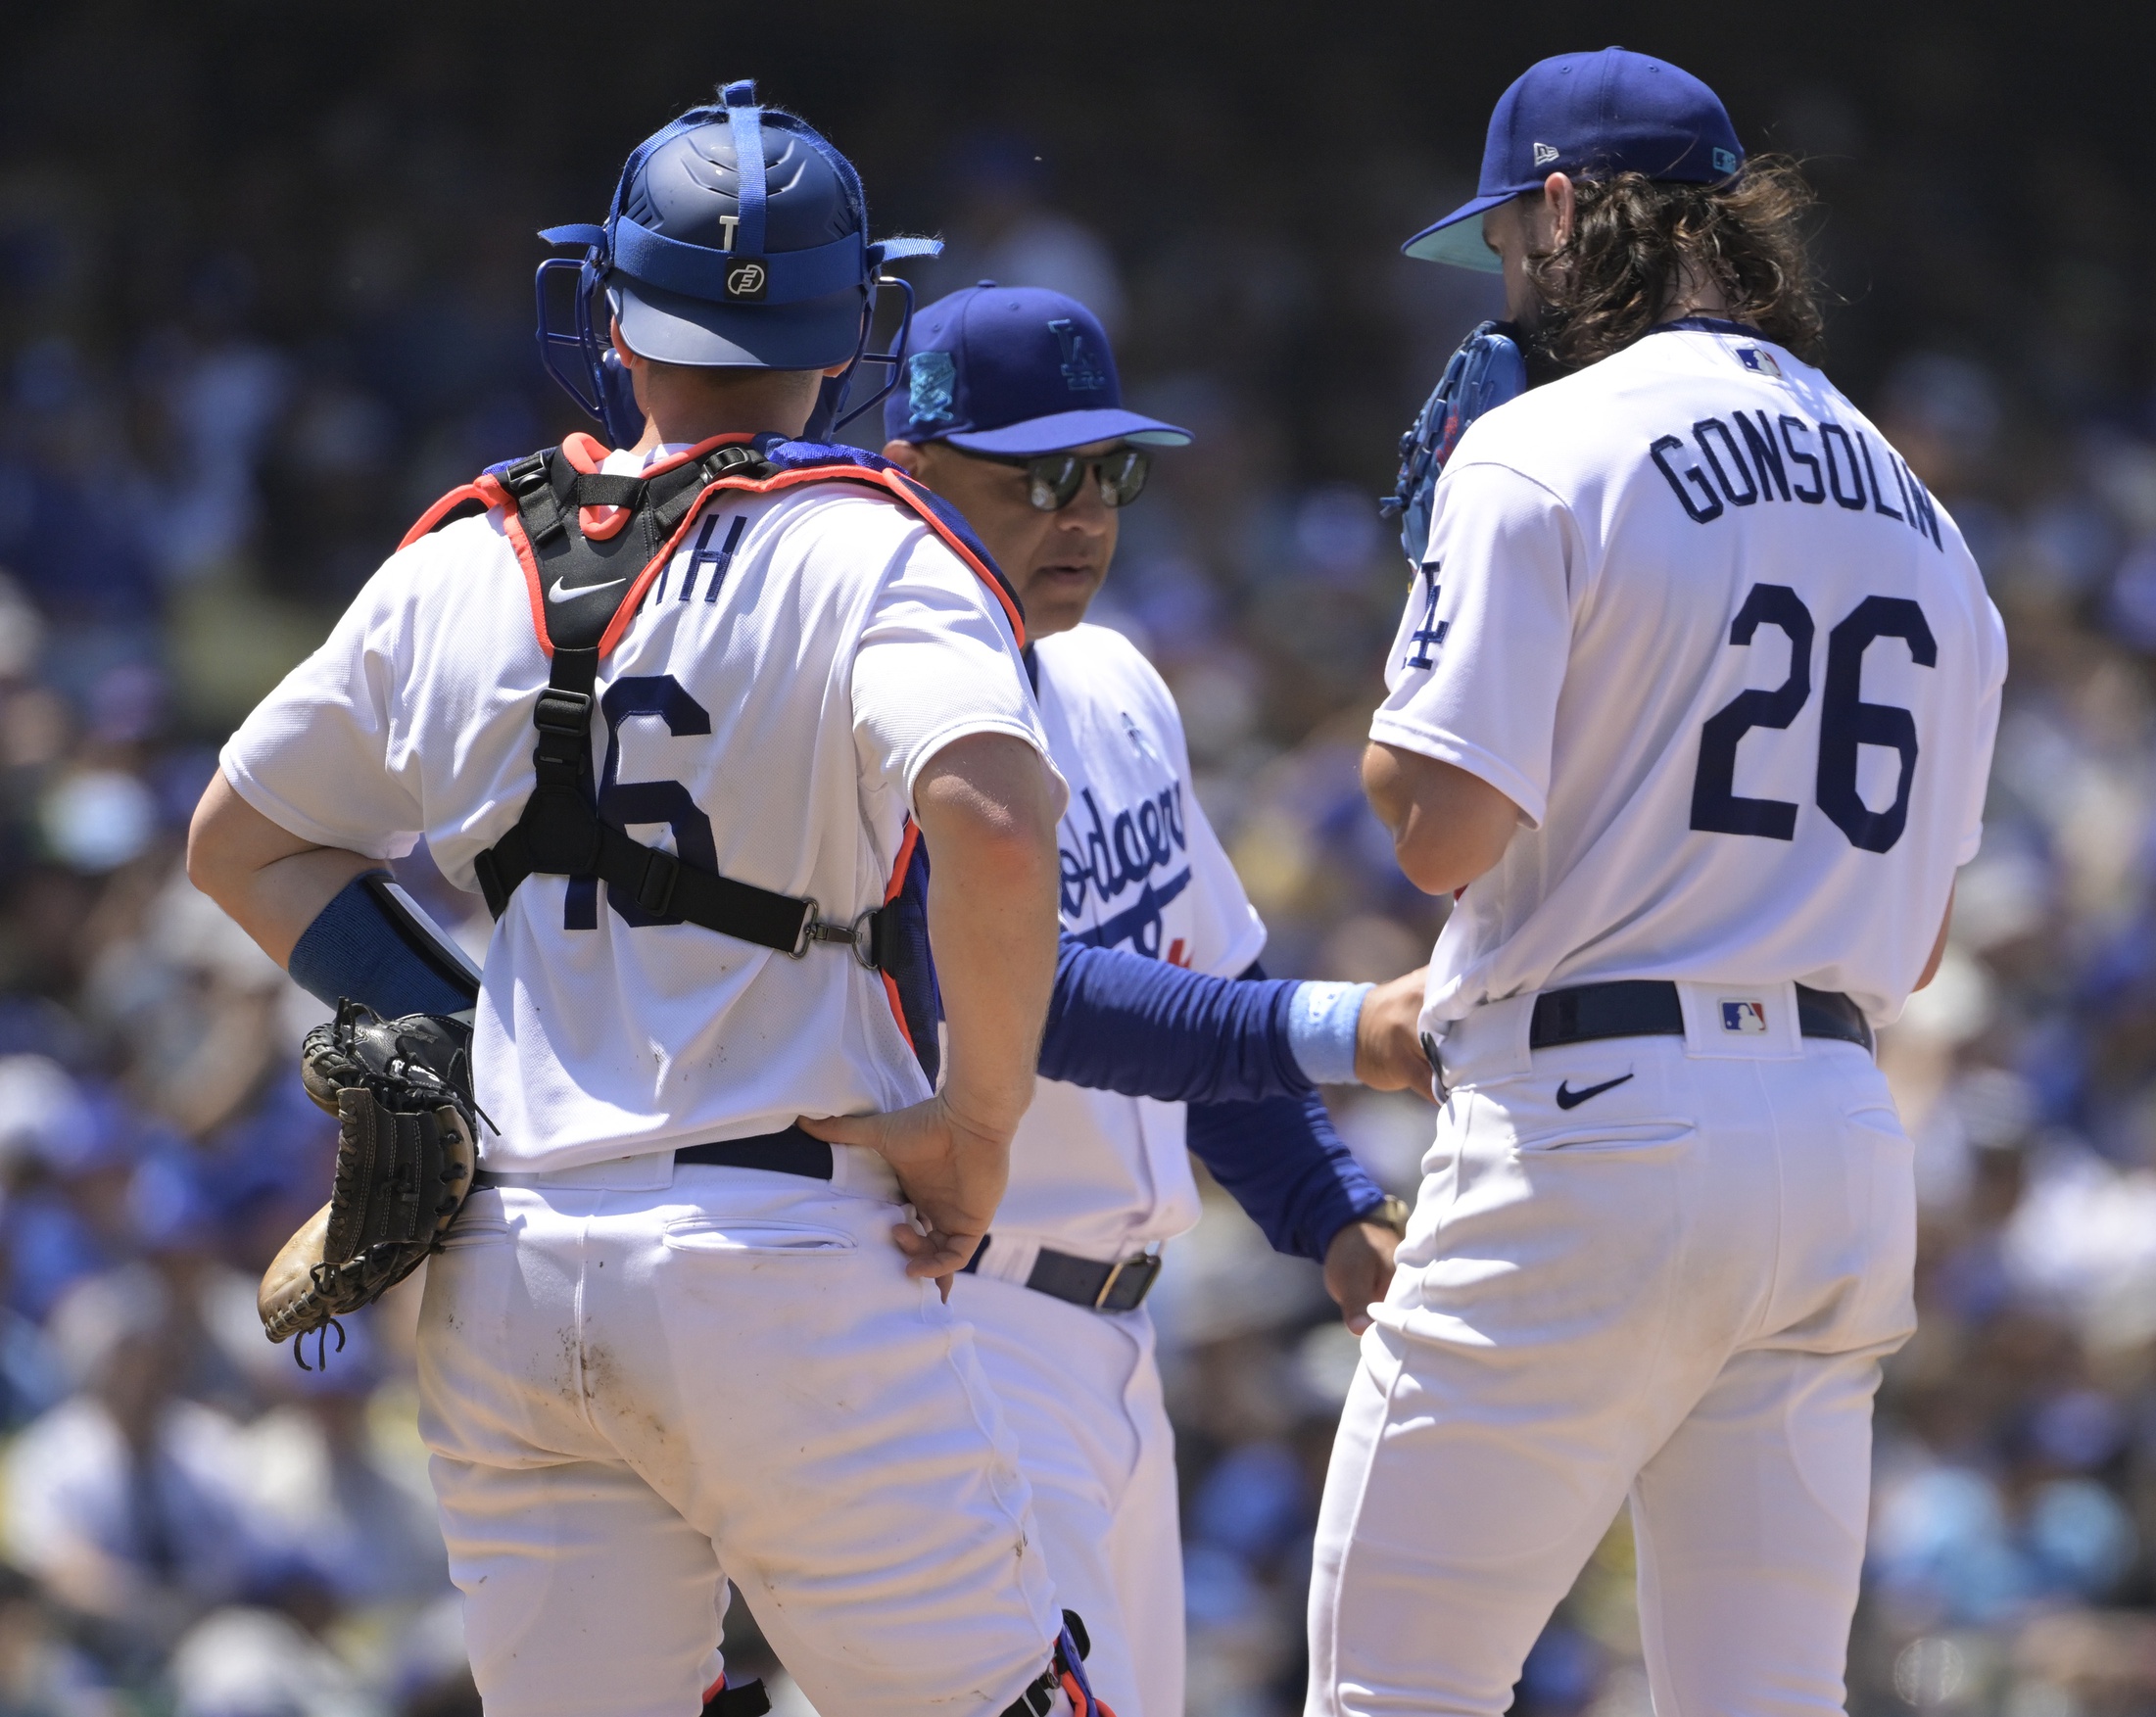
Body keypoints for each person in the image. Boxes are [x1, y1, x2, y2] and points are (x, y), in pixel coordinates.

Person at [185, 82, 1088, 1717]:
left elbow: (241, 843)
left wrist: (465, 1038)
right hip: (781, 1249)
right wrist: (980, 1125)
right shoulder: (871, 545)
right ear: (859, 317)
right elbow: (997, 824)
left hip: (510, 1262)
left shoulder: (460, 557)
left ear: (603, 305)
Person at [1307, 48, 2008, 1717]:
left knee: (1395, 1689)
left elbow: (1441, 835)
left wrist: (1426, 602)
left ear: (1560, 209)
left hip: (1595, 1121)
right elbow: (1917, 931)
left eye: (1505, 243)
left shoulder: (1544, 447)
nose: (1507, 282)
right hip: (1838, 1131)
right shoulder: (1923, 508)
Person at [877, 282, 1408, 1717]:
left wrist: (1329, 1208)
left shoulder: (1113, 677)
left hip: (1117, 1344)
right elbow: (1029, 996)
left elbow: (1204, 978)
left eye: (1108, 469)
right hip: (957, 1331)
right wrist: (1342, 1026)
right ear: (913, 477)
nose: (1086, 513)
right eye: (1038, 476)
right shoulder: (883, 714)